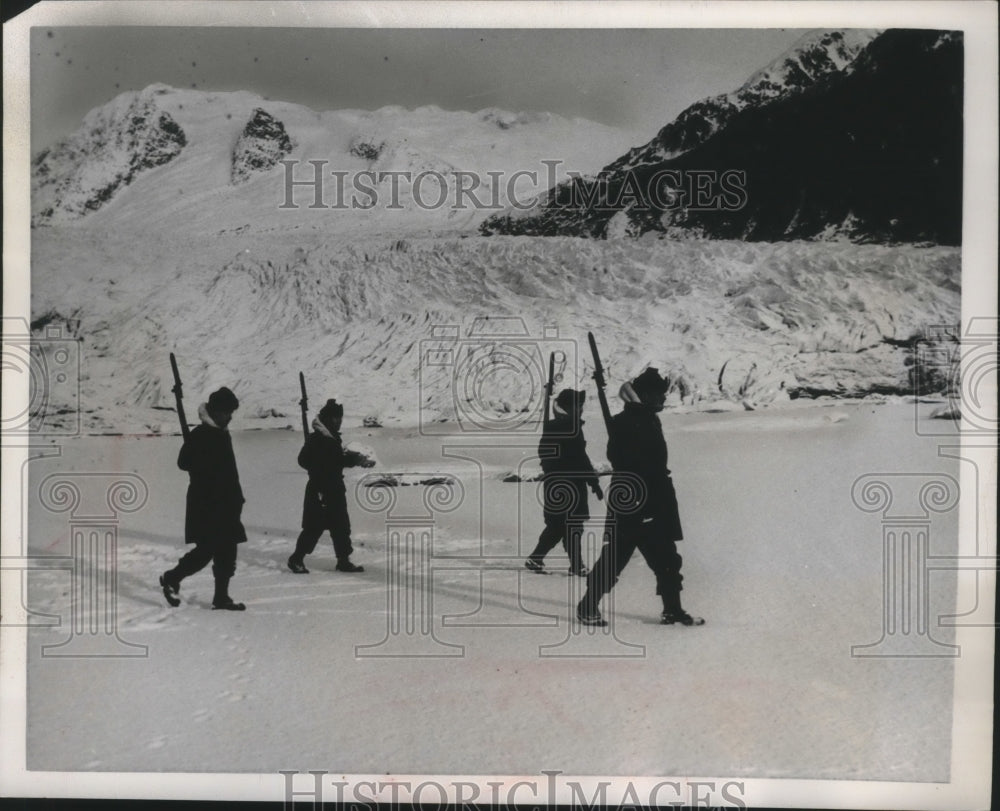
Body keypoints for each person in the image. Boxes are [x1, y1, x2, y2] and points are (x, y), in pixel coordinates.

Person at [576, 368, 704, 627]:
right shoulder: (629, 422)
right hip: (636, 503)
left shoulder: (646, 418)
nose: (663, 399)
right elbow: (624, 464)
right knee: (616, 559)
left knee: (667, 560)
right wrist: (642, 505)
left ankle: (672, 610)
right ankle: (587, 606)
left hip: (653, 501)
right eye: (659, 394)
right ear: (645, 394)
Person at [160, 386, 247, 611]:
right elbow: (184, 463)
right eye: (227, 412)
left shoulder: (220, 433)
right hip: (207, 504)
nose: (229, 417)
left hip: (226, 503)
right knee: (206, 551)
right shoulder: (201, 434)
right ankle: (171, 577)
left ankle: (221, 597)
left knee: (227, 552)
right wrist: (202, 461)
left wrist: (237, 498)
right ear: (215, 411)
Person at [287, 398, 373, 574]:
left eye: (340, 418)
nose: (339, 421)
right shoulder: (318, 438)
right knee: (314, 527)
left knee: (341, 525)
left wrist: (352, 459)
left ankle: (343, 561)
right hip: (320, 489)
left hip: (334, 488)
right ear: (327, 419)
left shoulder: (330, 437)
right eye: (335, 418)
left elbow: (335, 460)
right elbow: (304, 460)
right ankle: (296, 559)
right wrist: (320, 466)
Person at [525, 388, 603, 576]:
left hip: (557, 484)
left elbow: (546, 456)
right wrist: (593, 482)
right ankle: (576, 565)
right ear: (569, 407)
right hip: (570, 485)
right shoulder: (571, 428)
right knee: (571, 525)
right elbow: (580, 458)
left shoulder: (556, 426)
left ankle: (537, 558)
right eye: (578, 405)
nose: (581, 409)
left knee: (559, 525)